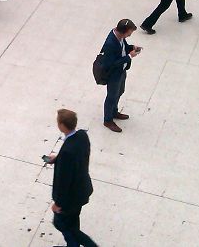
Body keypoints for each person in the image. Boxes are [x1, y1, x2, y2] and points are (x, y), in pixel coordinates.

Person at [46, 109, 97, 246]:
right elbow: (77, 157)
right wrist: (58, 158)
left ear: (62, 126)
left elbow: (64, 183)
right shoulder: (81, 136)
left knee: (62, 224)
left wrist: (58, 204)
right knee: (73, 221)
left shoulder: (68, 152)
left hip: (70, 198)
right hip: (81, 191)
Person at [100, 19, 140, 133]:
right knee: (112, 96)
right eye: (129, 33)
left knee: (120, 91)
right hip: (114, 74)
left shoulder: (120, 36)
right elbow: (110, 64)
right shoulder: (110, 44)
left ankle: (114, 111)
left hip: (121, 71)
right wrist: (129, 57)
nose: (130, 35)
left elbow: (123, 48)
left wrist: (131, 47)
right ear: (123, 32)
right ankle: (108, 120)